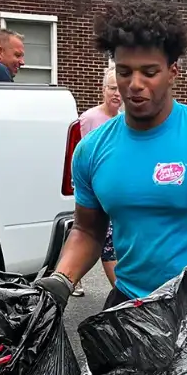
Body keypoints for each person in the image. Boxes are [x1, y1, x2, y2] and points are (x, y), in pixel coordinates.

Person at [38, 0, 187, 312]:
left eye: (149, 72)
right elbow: (88, 230)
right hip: (128, 307)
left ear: (172, 71)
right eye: (124, 72)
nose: (134, 85)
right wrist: (62, 280)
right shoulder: (91, 150)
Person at [71, 66, 122, 297]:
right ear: (103, 90)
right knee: (91, 235)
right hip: (90, 189)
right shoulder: (89, 119)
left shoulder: (124, 120)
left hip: (115, 191)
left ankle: (70, 276)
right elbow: (76, 153)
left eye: (120, 89)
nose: (117, 94)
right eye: (112, 88)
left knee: (106, 239)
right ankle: (124, 294)